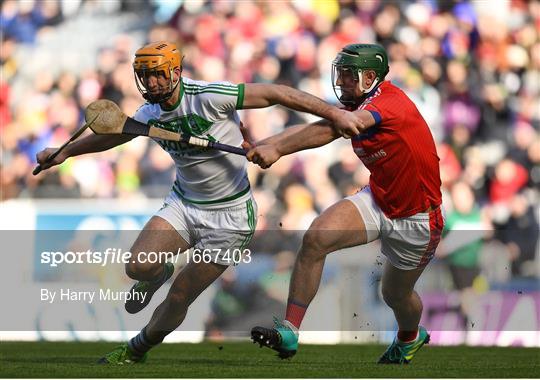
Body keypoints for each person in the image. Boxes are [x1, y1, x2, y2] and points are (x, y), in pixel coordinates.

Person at [35, 41, 363, 364]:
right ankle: (156, 273)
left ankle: (136, 349)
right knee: (136, 266)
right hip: (184, 204)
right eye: (145, 75)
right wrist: (63, 153)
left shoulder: (210, 96)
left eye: (159, 74)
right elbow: (114, 134)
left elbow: (277, 93)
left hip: (231, 219)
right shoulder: (148, 114)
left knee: (180, 296)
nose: (151, 82)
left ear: (176, 72)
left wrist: (333, 112)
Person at [247, 44, 444, 364]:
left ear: (370, 77)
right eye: (339, 74)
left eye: (348, 76)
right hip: (379, 199)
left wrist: (278, 147)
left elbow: (338, 125)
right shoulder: (359, 104)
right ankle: (289, 331)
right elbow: (329, 126)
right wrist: (269, 145)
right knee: (315, 238)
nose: (341, 82)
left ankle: (410, 336)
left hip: (418, 218)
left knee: (395, 294)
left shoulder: (388, 102)